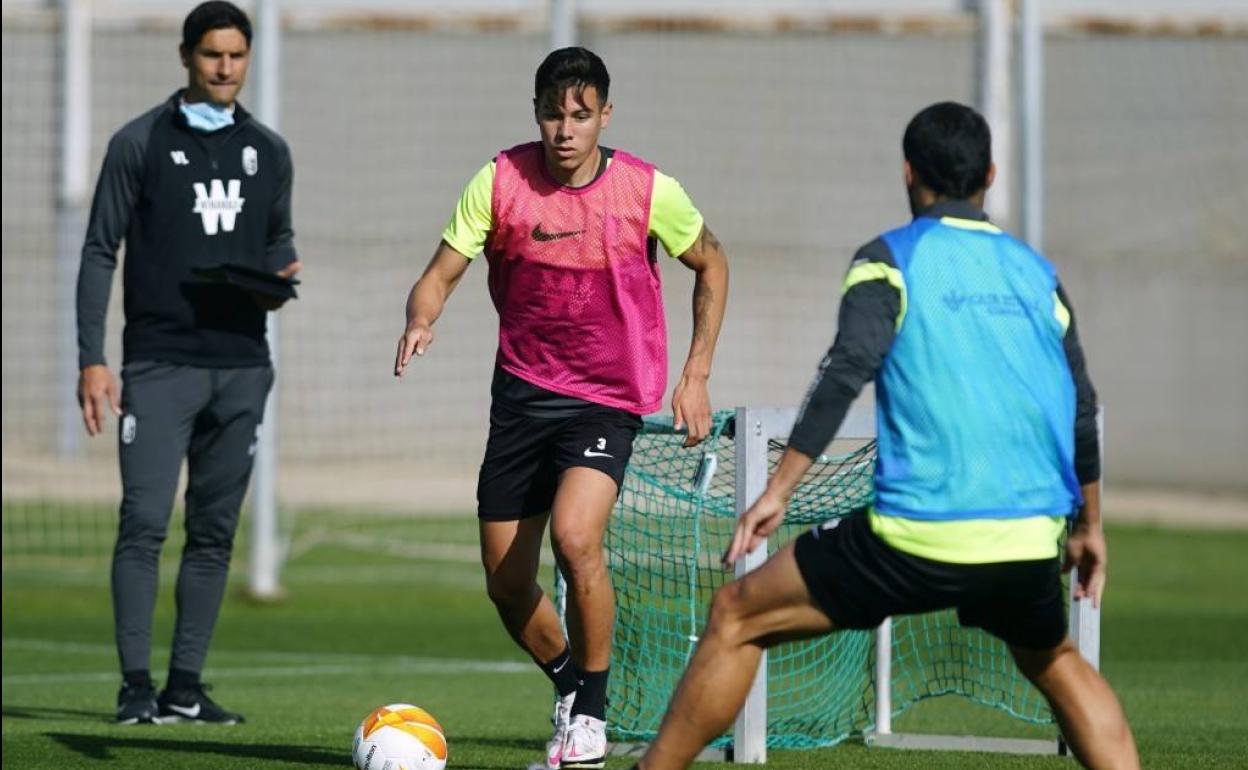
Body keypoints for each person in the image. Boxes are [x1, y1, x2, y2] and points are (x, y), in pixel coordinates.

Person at [632, 102, 1139, 770]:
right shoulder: (1035, 273)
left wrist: (778, 491)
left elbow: (846, 374)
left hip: (916, 535)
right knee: (1055, 660)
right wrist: (1089, 527)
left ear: (908, 173)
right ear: (988, 173)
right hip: (1026, 533)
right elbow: (1081, 405)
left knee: (736, 615)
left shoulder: (888, 261)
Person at [393, 47, 728, 770]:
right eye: (553, 113)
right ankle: (571, 685)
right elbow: (438, 273)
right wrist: (422, 318)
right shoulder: (498, 181)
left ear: (605, 114)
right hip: (520, 396)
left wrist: (696, 371)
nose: (565, 129)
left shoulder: (647, 190)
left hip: (604, 401)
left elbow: (713, 261)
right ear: (537, 113)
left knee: (577, 540)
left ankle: (592, 716)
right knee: (507, 585)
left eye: (581, 115)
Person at [76, 1, 301, 726]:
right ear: (185, 56)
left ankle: (185, 688)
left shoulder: (269, 151)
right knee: (143, 520)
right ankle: (134, 688)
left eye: (236, 55)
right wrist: (92, 359)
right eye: (212, 55)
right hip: (159, 364)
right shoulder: (137, 142)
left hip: (240, 366)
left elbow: (276, 246)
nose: (225, 68)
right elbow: (98, 250)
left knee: (213, 532)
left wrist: (279, 276)